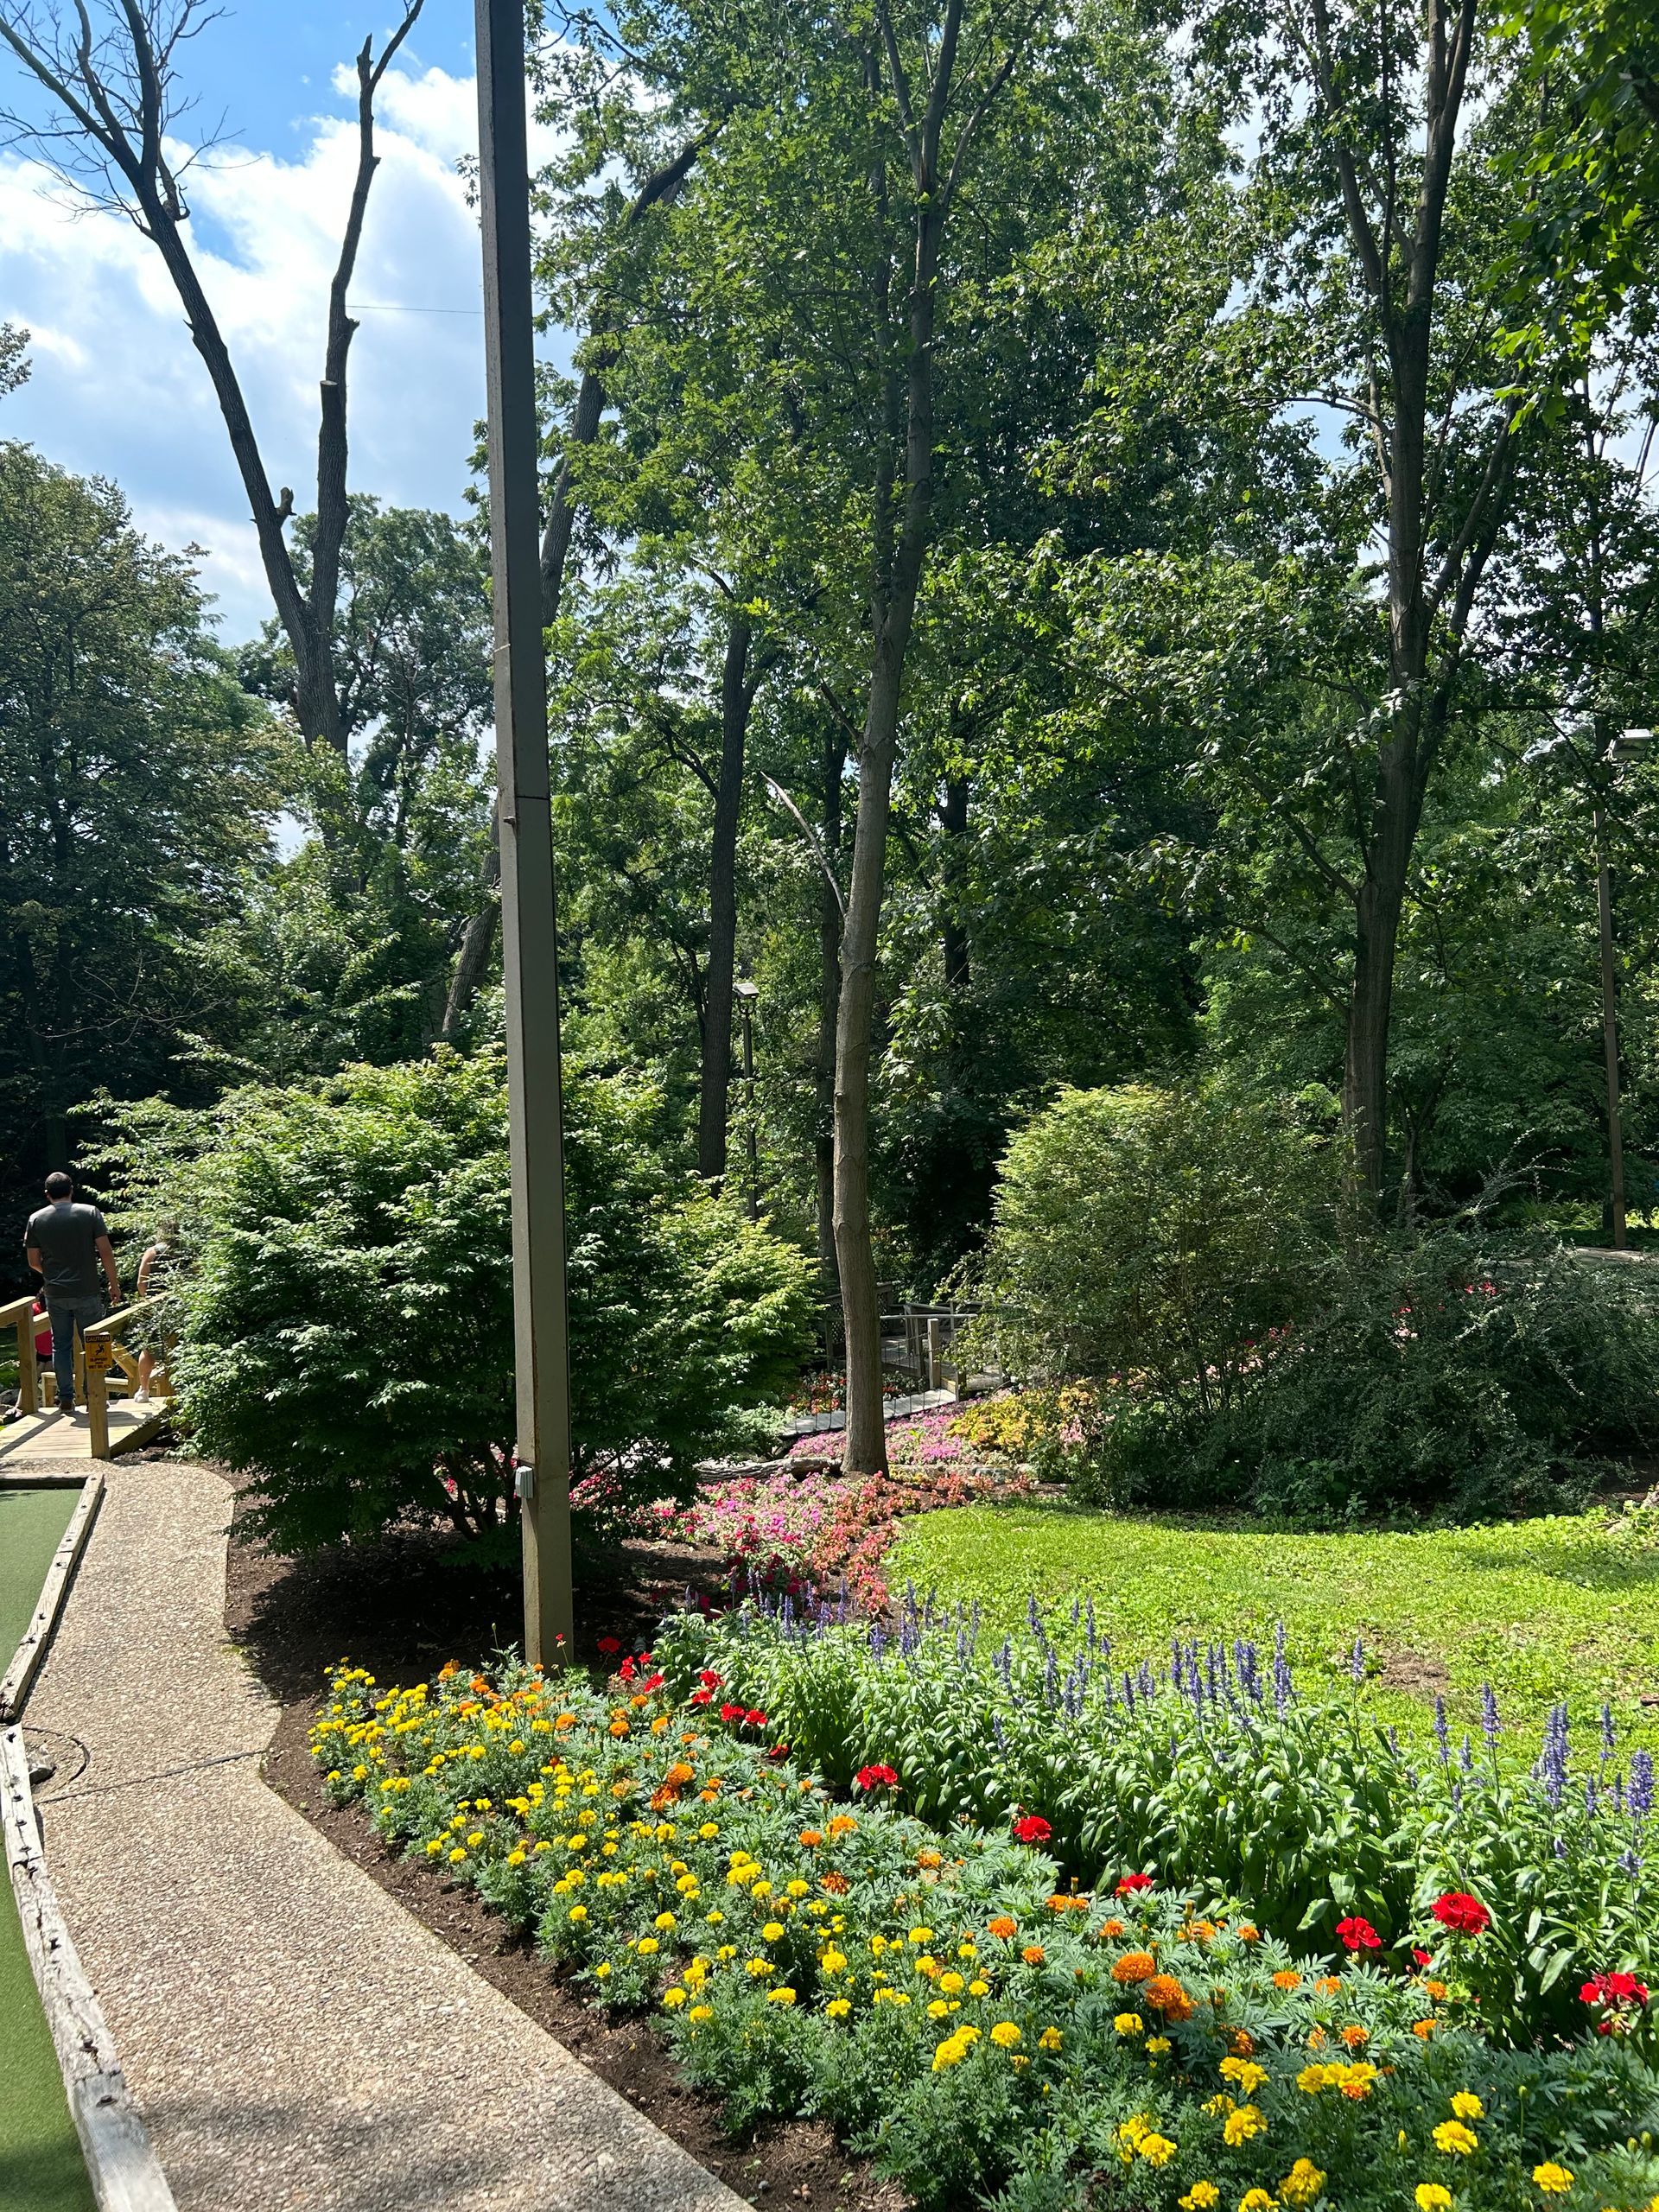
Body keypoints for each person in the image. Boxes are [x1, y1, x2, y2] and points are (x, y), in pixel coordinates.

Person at [24, 1171, 119, 1419]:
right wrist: (113, 1284)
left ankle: (66, 1399)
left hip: (55, 1293)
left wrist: (52, 1274)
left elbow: (33, 1261)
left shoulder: (36, 1219)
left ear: (47, 1195)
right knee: (94, 1343)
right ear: (71, 1190)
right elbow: (106, 1252)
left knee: (61, 1345)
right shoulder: (90, 1213)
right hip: (87, 1289)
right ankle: (94, 1396)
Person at [133, 1219, 182, 1402]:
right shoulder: (184, 1253)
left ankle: (144, 1390)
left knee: (148, 1349)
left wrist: (147, 1300)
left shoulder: (153, 1252)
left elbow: (141, 1281)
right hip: (180, 1306)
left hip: (155, 1308)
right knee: (178, 1346)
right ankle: (178, 1390)